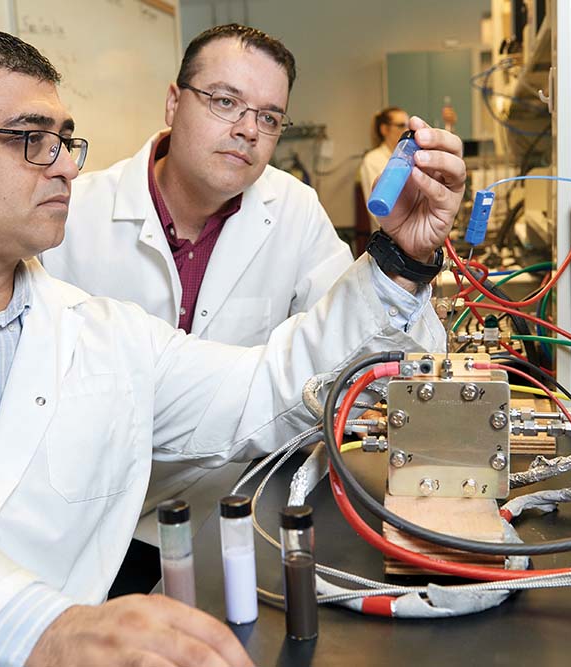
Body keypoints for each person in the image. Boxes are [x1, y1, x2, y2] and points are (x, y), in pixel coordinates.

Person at [0, 28, 464, 667]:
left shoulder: (101, 331)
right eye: (31, 140)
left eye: (65, 140)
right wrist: (35, 629)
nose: (64, 165)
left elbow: (267, 389)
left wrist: (398, 264)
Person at [40, 24, 354, 549]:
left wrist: (405, 265)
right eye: (226, 102)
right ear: (172, 103)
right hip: (95, 519)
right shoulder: (74, 214)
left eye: (269, 117)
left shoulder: (294, 209)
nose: (249, 130)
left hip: (243, 509)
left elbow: (353, 349)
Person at [358, 106, 411, 231]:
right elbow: (377, 210)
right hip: (389, 237)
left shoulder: (409, 158)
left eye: (408, 125)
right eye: (401, 125)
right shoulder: (372, 160)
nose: (407, 130)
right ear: (384, 129)